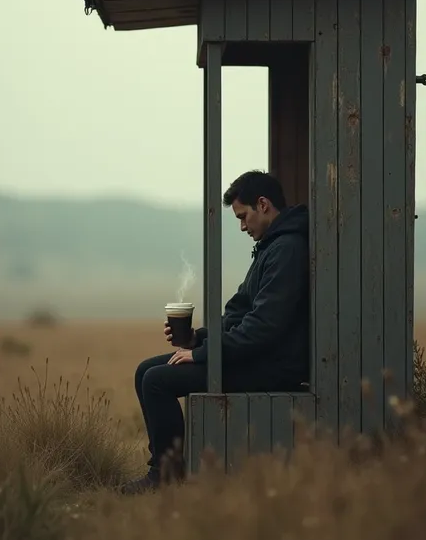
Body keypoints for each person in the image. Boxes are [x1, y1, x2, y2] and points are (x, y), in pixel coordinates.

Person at [120, 170, 309, 495]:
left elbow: (263, 326)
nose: (241, 226)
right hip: (256, 356)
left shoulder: (287, 249)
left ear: (263, 204)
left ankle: (164, 475)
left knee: (157, 381)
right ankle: (166, 467)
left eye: (243, 216)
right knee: (144, 371)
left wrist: (202, 354)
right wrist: (200, 338)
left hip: (274, 365)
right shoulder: (270, 247)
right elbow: (238, 312)